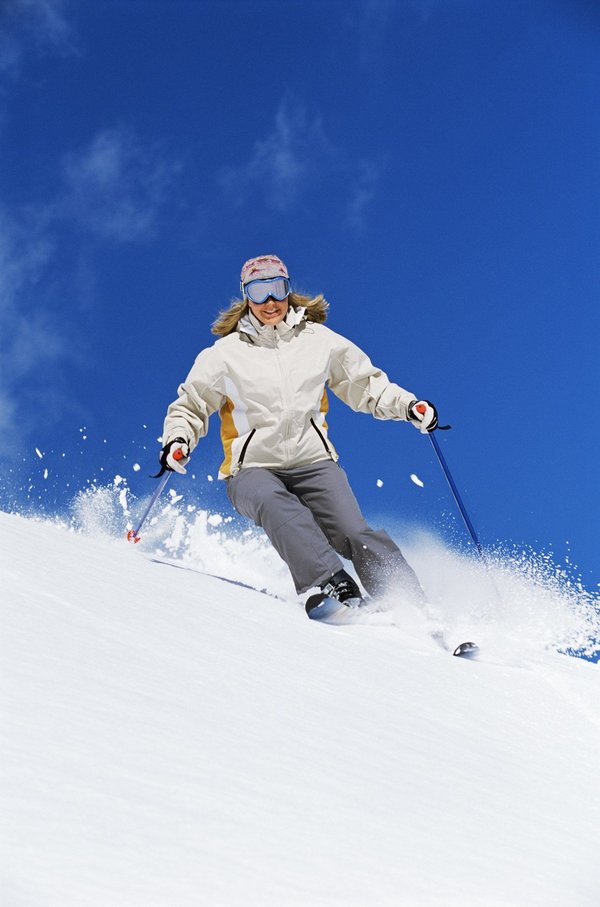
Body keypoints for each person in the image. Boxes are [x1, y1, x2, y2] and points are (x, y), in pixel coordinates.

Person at [158, 254, 440, 614]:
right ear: (246, 296)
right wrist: (177, 440)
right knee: (278, 506)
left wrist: (407, 406)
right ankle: (336, 585)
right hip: (252, 469)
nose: (269, 302)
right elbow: (191, 405)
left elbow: (365, 384)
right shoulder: (224, 355)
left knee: (353, 531)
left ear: (288, 290)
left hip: (314, 462)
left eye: (277, 289)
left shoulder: (319, 341)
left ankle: (408, 602)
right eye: (259, 292)